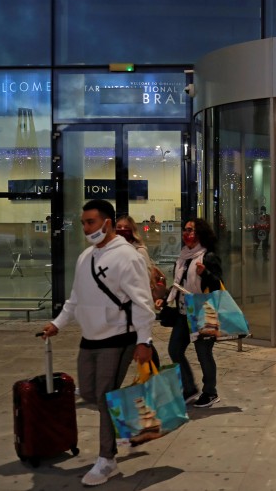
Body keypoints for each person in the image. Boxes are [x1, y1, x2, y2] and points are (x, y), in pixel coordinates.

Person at [40, 199, 154, 487]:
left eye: (90, 222)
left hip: (118, 338)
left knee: (104, 397)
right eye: (83, 223)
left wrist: (144, 341)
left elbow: (143, 302)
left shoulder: (128, 257)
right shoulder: (85, 257)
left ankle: (107, 459)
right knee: (89, 392)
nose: (85, 228)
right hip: (90, 337)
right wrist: (58, 323)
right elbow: (75, 297)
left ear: (107, 222)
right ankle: (127, 422)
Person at [157, 218, 223, 408]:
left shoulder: (208, 256)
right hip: (183, 312)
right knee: (174, 350)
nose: (186, 234)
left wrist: (205, 274)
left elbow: (217, 285)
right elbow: (180, 283)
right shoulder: (184, 256)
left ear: (200, 234)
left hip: (204, 311)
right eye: (185, 230)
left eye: (190, 230)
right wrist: (167, 296)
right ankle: (189, 388)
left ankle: (210, 392)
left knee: (203, 353)